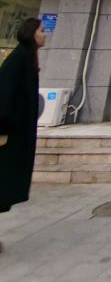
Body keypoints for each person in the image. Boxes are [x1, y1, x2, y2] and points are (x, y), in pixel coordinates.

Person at [0, 17, 44, 251]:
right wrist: (3, 129)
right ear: (31, 33)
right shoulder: (18, 60)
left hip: (16, 133)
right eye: (42, 30)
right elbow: (4, 97)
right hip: (8, 135)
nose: (45, 34)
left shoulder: (27, 58)